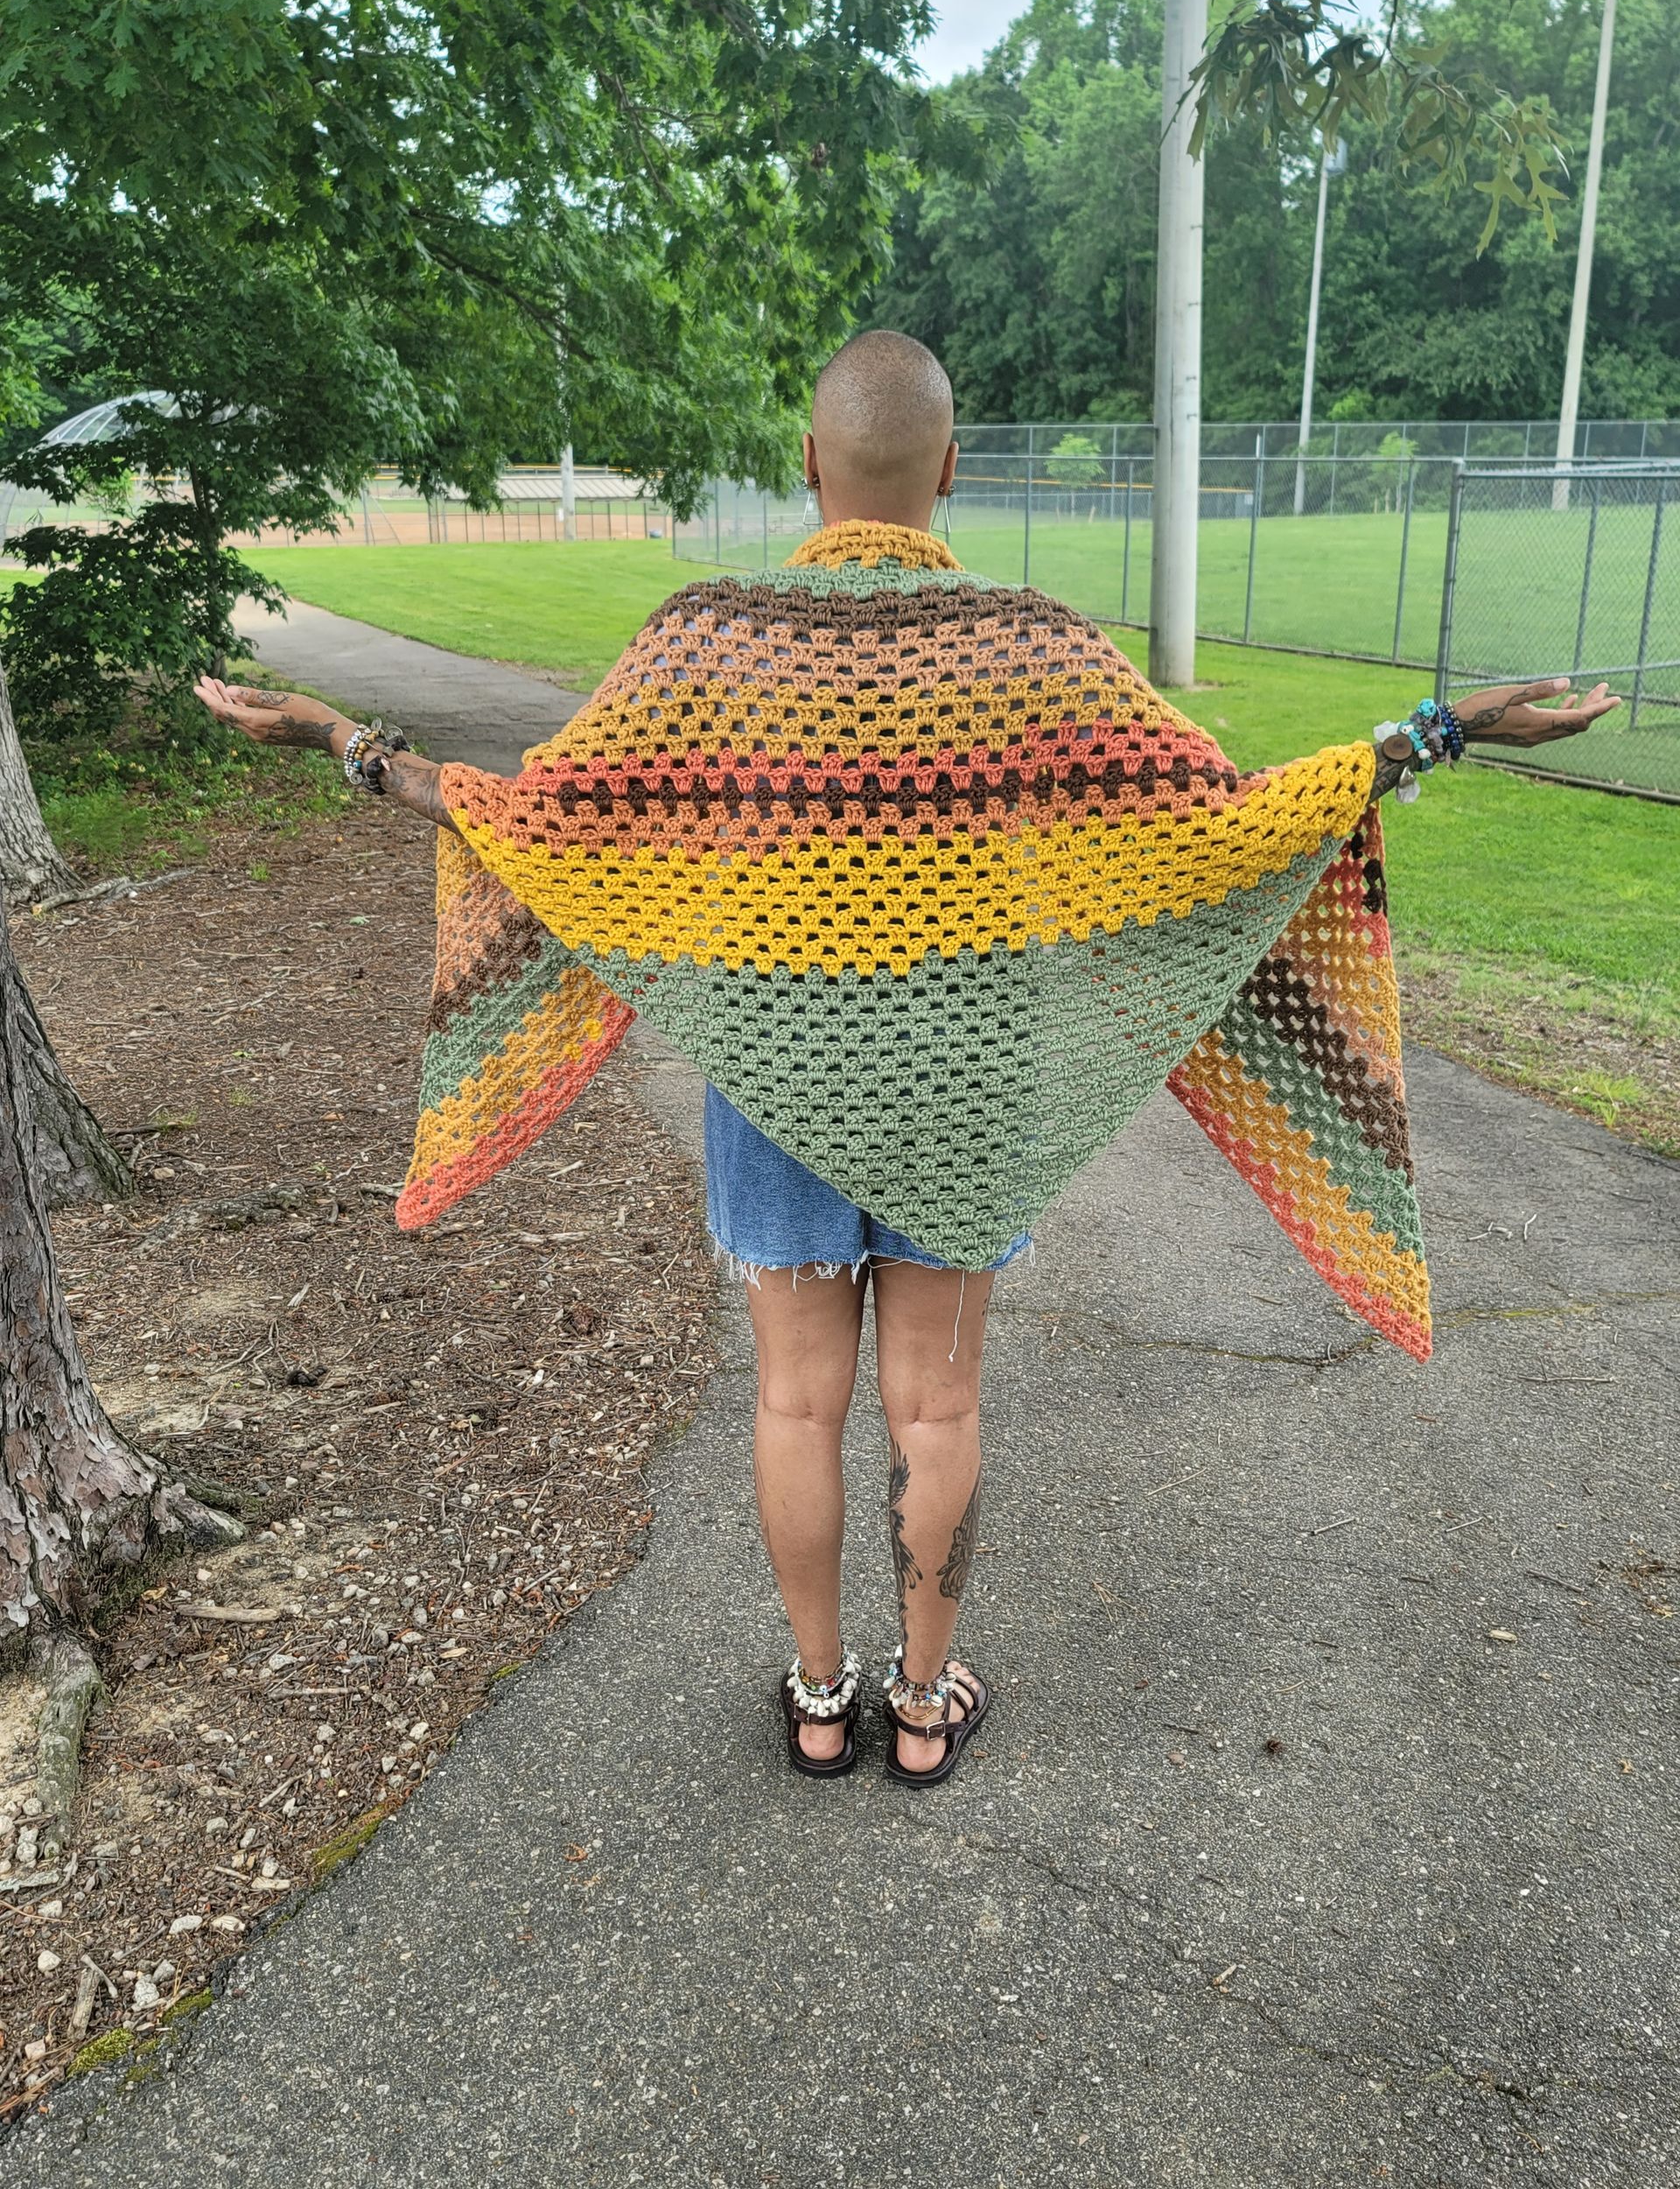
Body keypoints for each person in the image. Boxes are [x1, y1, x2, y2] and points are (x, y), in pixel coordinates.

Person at [197, 330, 1617, 1791]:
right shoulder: (1041, 647)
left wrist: (347, 740)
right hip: (970, 1106)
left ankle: (822, 1697)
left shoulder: (706, 644)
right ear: (950, 467)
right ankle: (924, 1708)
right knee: (935, 1410)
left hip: (773, 1098)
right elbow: (1225, 827)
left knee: (796, 1405)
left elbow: (544, 820)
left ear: (810, 465)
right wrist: (1439, 729)